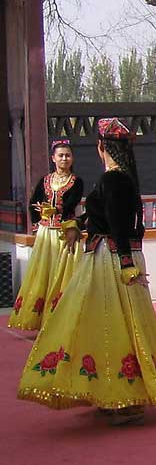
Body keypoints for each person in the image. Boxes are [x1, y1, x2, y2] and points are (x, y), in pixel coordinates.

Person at [17, 118, 156, 426]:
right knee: (110, 326)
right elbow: (105, 217)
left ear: (101, 147)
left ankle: (123, 398)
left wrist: (125, 264)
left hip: (110, 261)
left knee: (111, 327)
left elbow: (117, 225)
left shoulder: (113, 180)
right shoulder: (120, 178)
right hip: (110, 256)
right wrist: (77, 225)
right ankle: (112, 393)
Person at [8, 139, 84, 331]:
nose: (64, 159)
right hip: (45, 235)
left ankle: (62, 320)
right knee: (43, 274)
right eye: (61, 155)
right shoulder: (45, 180)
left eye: (67, 155)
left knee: (64, 275)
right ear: (53, 158)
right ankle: (39, 320)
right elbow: (33, 203)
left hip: (65, 233)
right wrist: (39, 217)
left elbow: (70, 205)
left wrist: (54, 211)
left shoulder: (77, 182)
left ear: (72, 158)